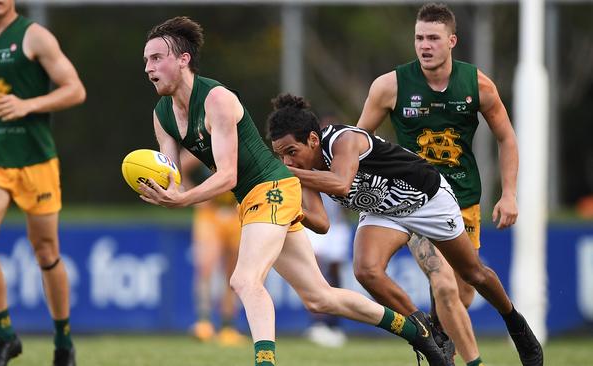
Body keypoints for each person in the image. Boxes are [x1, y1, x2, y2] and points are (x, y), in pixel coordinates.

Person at [139, 16, 447, 366]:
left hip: (271, 188)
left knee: (244, 279)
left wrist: (181, 199)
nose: (148, 67)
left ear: (183, 60)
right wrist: (160, 185)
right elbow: (171, 170)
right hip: (255, 199)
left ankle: (265, 362)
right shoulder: (162, 113)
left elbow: (226, 176)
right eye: (146, 60)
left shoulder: (217, 100)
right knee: (320, 298)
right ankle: (417, 332)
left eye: (156, 58)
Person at [267, 93, 543, 366]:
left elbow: (341, 184)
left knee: (473, 274)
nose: (288, 163)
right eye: (281, 157)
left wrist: (288, 175)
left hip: (426, 199)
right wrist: (286, 208)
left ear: (313, 140)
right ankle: (429, 335)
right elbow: (321, 223)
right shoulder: (299, 171)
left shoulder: (344, 140)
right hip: (382, 211)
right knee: (366, 271)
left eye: (292, 152)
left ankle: (515, 323)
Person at [356, 3, 536, 366]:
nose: (424, 45)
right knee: (444, 284)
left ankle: (451, 335)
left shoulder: (478, 85)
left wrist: (510, 193)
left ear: (451, 41)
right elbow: (357, 142)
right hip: (413, 198)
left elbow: (507, 138)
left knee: (464, 291)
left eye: (433, 38)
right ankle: (465, 361)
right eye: (419, 38)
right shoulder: (389, 86)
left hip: (462, 200)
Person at [0, 1, 86, 365]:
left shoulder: (34, 36)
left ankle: (63, 342)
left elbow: (75, 89)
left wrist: (28, 105)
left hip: (36, 161)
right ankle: (6, 336)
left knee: (46, 252)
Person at [180, 151, 247, 346]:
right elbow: (180, 167)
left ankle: (228, 326)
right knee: (206, 267)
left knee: (232, 272)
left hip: (237, 212)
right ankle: (203, 322)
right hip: (211, 212)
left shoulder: (242, 144)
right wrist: (195, 195)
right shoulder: (205, 146)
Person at [303, 194, 351, 348]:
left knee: (334, 273)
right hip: (313, 222)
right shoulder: (305, 170)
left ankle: (333, 324)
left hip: (337, 224)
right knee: (315, 272)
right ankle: (318, 324)